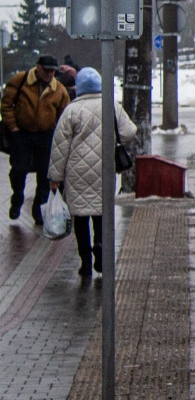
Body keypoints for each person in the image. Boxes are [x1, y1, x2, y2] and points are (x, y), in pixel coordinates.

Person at [49, 68, 136, 278]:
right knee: (101, 212)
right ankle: (100, 248)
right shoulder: (111, 105)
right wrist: (113, 142)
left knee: (80, 217)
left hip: (76, 170)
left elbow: (59, 147)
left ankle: (85, 262)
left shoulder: (71, 110)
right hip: (104, 168)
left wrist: (54, 178)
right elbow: (129, 130)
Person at [2, 54, 70, 226]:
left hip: (45, 134)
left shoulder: (59, 90)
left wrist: (58, 133)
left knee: (45, 173)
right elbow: (6, 103)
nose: (49, 75)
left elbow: (64, 114)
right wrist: (13, 127)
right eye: (46, 70)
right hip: (21, 133)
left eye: (52, 72)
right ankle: (17, 197)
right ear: (38, 68)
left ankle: (38, 209)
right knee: (18, 169)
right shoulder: (21, 80)